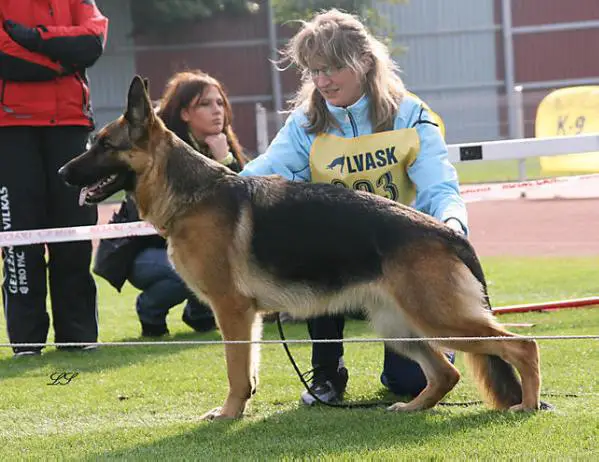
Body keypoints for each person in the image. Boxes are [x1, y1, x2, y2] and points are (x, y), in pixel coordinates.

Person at [240, 9, 467, 404]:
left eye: (331, 69)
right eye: (314, 71)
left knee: (408, 383)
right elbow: (262, 172)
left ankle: (431, 350)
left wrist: (452, 224)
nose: (321, 81)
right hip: (335, 259)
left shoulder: (410, 114)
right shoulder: (305, 123)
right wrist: (211, 198)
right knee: (312, 249)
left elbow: (439, 186)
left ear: (363, 62)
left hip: (397, 256)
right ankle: (328, 373)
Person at [94, 70, 246, 337]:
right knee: (189, 266)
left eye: (220, 103)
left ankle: (198, 314)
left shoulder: (222, 147)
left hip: (192, 246)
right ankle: (150, 311)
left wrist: (224, 158)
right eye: (205, 104)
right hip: (141, 250)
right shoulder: (158, 151)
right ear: (185, 114)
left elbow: (241, 204)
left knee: (217, 261)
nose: (217, 111)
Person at [0, 0, 108, 357]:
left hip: (70, 124)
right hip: (11, 128)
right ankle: (26, 344)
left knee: (74, 237)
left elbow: (93, 43)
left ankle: (78, 337)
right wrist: (63, 60)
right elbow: (4, 53)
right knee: (19, 241)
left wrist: (35, 38)